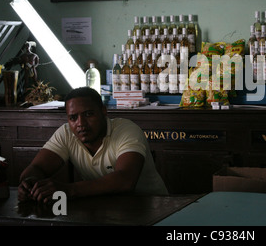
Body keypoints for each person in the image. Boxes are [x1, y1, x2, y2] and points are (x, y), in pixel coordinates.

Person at [18, 87, 168, 203]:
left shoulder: (126, 130)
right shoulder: (66, 133)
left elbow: (125, 180)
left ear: (103, 111)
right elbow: (37, 168)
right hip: (103, 206)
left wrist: (69, 190)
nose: (81, 124)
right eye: (73, 117)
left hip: (151, 206)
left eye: (89, 114)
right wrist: (29, 184)